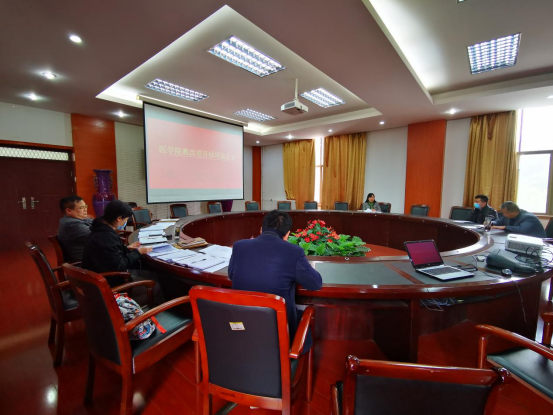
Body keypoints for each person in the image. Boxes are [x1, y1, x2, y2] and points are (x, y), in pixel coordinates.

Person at [228, 210, 322, 351]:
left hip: (241, 329)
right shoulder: (294, 252)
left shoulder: (239, 246)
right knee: (302, 317)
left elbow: (231, 275)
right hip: (279, 337)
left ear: (261, 229)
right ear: (287, 234)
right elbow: (315, 283)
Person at [82, 200, 153, 276]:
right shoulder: (107, 236)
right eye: (125, 219)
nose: (125, 222)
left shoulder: (99, 228)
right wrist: (138, 252)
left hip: (99, 271)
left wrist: (126, 248)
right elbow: (120, 265)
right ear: (119, 218)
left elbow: (109, 253)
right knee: (154, 274)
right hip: (111, 278)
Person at [57, 195, 93, 262]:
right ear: (69, 211)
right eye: (81, 207)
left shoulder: (75, 219)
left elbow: (95, 222)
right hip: (85, 262)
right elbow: (98, 235)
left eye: (85, 206)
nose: (85, 209)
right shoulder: (71, 224)